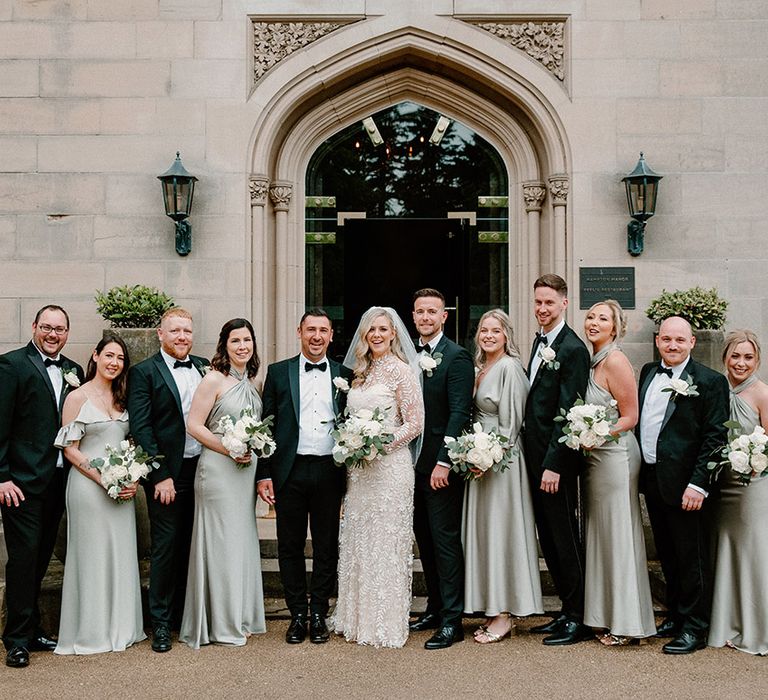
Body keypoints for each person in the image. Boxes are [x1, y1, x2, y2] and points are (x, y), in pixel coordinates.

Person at [256, 309, 352, 645]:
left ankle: (318, 613)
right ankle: (297, 614)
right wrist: (263, 474)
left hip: (329, 470)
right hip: (289, 469)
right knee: (290, 545)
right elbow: (265, 426)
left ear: (331, 335)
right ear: (299, 332)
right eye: (310, 329)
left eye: (323, 331)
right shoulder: (278, 372)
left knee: (327, 546)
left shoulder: (346, 375)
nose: (316, 336)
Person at [332, 307, 424, 648]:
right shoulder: (360, 373)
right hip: (360, 472)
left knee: (386, 545)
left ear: (393, 334)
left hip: (390, 470)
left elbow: (415, 423)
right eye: (371, 329)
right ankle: (356, 619)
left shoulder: (401, 371)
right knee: (359, 541)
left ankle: (384, 623)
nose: (376, 334)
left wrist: (379, 445)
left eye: (383, 329)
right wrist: (355, 444)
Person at [638, 316, 728, 654]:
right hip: (653, 479)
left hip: (688, 486)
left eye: (679, 340)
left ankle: (696, 627)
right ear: (658, 341)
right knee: (668, 553)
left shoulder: (710, 381)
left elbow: (715, 437)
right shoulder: (648, 372)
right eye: (666, 339)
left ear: (692, 342)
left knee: (693, 557)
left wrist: (699, 484)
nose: (672, 345)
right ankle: (676, 615)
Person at [0, 305, 84, 668]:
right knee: (22, 560)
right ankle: (16, 639)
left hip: (58, 482)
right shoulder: (11, 365)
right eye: (47, 327)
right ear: (34, 326)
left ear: (67, 332)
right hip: (20, 483)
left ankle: (32, 630)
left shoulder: (74, 371)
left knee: (40, 558)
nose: (53, 334)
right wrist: (1, 476)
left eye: (60, 329)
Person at [54, 333, 146, 654]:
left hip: (121, 489)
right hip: (88, 488)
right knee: (92, 557)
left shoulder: (124, 399)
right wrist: (104, 478)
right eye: (109, 356)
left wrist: (131, 474)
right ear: (95, 356)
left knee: (120, 555)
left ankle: (121, 627)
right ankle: (91, 631)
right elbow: (71, 450)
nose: (114, 363)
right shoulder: (77, 397)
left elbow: (131, 444)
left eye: (120, 359)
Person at [179, 318, 266, 648]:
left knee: (240, 541)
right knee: (221, 542)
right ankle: (221, 623)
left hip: (244, 472)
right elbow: (194, 425)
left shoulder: (254, 382)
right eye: (235, 341)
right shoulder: (213, 379)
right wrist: (228, 448)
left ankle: (241, 614)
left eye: (247, 340)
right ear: (224, 346)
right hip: (217, 469)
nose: (242, 346)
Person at [127, 307, 208, 653]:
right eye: (174, 331)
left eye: (187, 331)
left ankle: (183, 617)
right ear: (160, 334)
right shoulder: (144, 372)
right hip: (168, 475)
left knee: (194, 545)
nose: (181, 337)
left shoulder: (206, 367)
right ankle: (160, 622)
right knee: (165, 547)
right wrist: (160, 475)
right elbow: (142, 427)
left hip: (204, 471)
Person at [463, 310, 543, 644]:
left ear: (507, 335)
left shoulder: (510, 368)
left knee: (502, 533)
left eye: (496, 330)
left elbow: (512, 424)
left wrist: (490, 456)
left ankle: (505, 614)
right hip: (479, 461)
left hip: (502, 463)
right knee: (484, 534)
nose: (489, 335)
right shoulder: (480, 368)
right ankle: (491, 604)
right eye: (484, 330)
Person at [581, 301, 656, 646]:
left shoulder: (616, 360)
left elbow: (630, 417)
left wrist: (596, 434)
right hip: (596, 460)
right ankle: (603, 615)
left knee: (620, 535)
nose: (594, 322)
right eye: (591, 316)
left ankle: (628, 625)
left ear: (616, 327)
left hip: (616, 458)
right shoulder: (592, 359)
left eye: (603, 319)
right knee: (602, 535)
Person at [523, 274, 591, 645]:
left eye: (549, 302)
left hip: (555, 464)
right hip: (534, 457)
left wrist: (555, 464)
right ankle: (566, 608)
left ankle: (578, 615)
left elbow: (570, 410)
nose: (542, 309)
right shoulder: (540, 342)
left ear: (565, 303)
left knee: (564, 536)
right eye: (538, 302)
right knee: (548, 536)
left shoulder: (572, 348)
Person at [409, 288, 474, 650]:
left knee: (445, 540)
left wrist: (444, 462)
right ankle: (434, 608)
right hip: (411, 465)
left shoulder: (457, 357)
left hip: (439, 467)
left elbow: (459, 412)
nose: (426, 318)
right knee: (426, 540)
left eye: (432, 312)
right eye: (420, 312)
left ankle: (453, 619)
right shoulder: (407, 354)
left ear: (444, 315)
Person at [709, 330, 768, 655]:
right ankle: (728, 623)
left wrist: (755, 461)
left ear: (756, 359)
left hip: (754, 486)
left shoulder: (762, 393)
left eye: (747, 357)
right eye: (735, 356)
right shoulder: (717, 388)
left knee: (753, 554)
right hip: (724, 485)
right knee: (727, 552)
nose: (740, 363)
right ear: (725, 357)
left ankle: (756, 628)